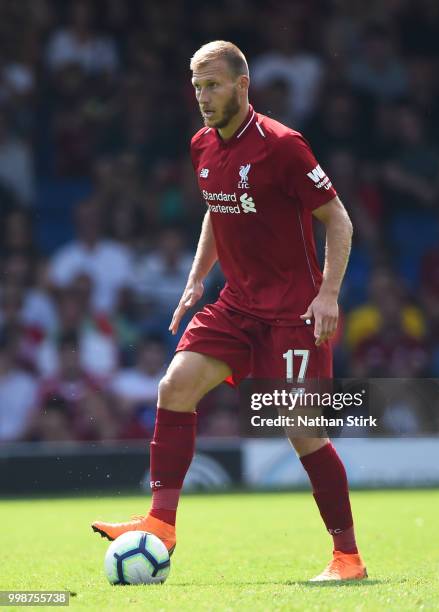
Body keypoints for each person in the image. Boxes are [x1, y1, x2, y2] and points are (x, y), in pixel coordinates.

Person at [92, 40, 366, 582]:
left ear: (243, 85)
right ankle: (161, 524)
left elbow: (338, 220)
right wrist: (196, 278)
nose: (203, 96)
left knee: (302, 430)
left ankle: (347, 558)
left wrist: (328, 294)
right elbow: (217, 212)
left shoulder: (282, 146)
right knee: (175, 387)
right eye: (196, 87)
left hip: (292, 314)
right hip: (236, 306)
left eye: (212, 85)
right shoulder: (201, 146)